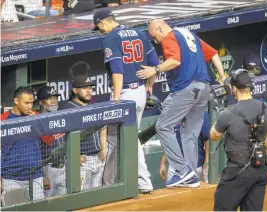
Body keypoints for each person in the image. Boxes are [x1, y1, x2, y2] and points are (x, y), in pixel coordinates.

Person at [136, 19, 212, 187]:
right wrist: (222, 76)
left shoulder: (170, 37)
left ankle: (184, 172)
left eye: (155, 36)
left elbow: (175, 60)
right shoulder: (188, 35)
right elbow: (213, 54)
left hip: (186, 89)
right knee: (188, 134)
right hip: (204, 87)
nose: (156, 41)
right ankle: (189, 175)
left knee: (163, 126)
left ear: (159, 28)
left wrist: (155, 70)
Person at [93, 8, 159, 194]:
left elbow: (117, 72)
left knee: (120, 140)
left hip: (124, 94)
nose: (101, 31)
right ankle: (111, 183)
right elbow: (155, 64)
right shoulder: (138, 32)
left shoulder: (110, 38)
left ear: (102, 23)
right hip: (139, 92)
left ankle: (134, 182)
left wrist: (115, 100)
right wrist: (149, 86)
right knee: (124, 138)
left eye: (99, 28)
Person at [210, 69, 267, 211]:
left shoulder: (228, 113)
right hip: (260, 169)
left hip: (237, 171)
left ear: (233, 89)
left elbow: (214, 135)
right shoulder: (266, 108)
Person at [58, 61, 107, 190]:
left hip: (98, 157)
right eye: (85, 88)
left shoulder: (93, 105)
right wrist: (73, 155)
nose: (89, 91)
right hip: (82, 160)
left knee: (97, 198)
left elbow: (103, 127)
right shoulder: (68, 109)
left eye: (90, 88)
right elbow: (62, 136)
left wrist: (103, 148)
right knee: (82, 197)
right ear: (75, 90)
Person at [1, 86, 45, 203]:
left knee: (39, 210)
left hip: (35, 175)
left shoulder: (35, 116)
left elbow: (49, 141)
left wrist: (37, 123)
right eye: (26, 103)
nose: (30, 106)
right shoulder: (3, 119)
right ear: (16, 101)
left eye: (32, 103)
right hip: (11, 177)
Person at [159, 110, 210, 186]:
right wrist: (163, 163)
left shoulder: (201, 113)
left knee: (195, 196)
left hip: (195, 166)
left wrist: (206, 163)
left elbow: (208, 141)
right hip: (174, 167)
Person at [36, 86, 67, 197]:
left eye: (55, 97)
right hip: (48, 169)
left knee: (65, 203)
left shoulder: (61, 117)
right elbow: (36, 153)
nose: (54, 101)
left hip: (64, 166)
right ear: (41, 102)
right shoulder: (37, 121)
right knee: (48, 205)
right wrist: (44, 176)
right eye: (49, 98)